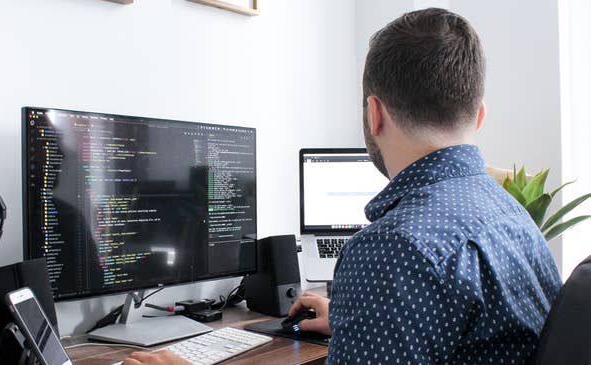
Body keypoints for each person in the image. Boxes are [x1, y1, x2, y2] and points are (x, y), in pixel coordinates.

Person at [121, 7, 562, 365]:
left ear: (375, 113)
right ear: (479, 115)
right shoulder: (512, 214)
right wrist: (362, 322)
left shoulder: (396, 247)